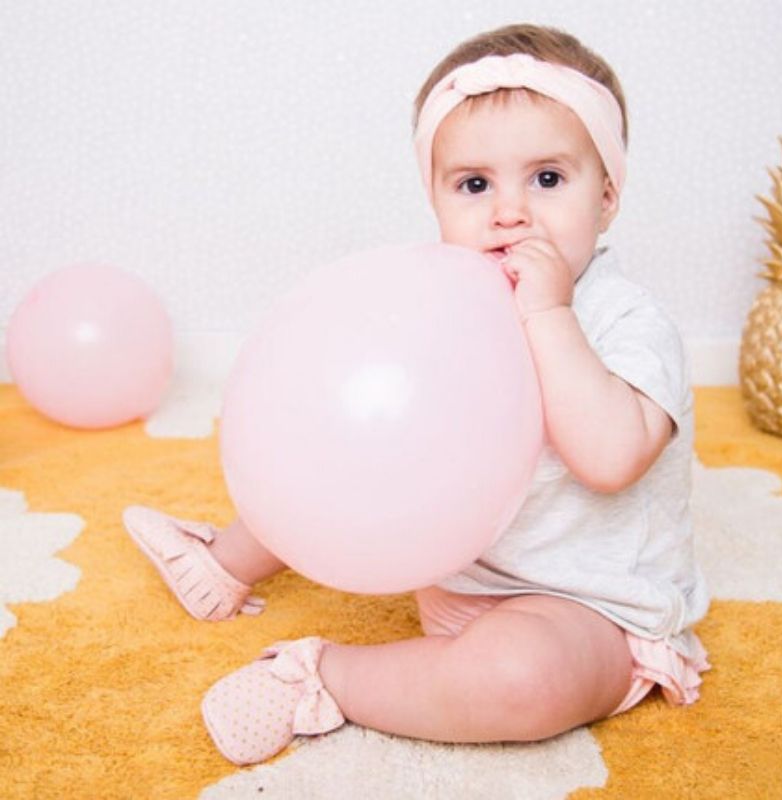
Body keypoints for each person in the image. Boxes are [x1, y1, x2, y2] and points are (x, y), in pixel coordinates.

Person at [123, 23, 710, 766]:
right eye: (474, 185)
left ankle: (322, 676)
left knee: (521, 682)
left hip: (586, 610)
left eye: (548, 179)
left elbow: (611, 456)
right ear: (434, 198)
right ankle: (225, 561)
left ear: (608, 196)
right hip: (453, 563)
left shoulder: (627, 320)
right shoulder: (441, 299)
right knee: (346, 446)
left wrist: (547, 315)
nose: (508, 213)